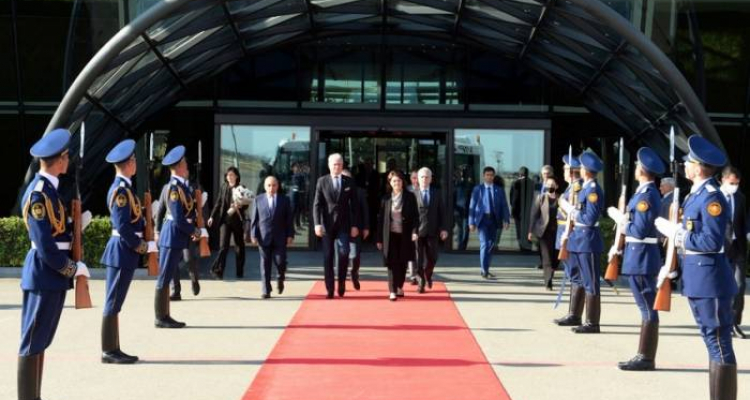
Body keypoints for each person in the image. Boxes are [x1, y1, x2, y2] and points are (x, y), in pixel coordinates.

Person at [655, 135, 737, 400]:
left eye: (688, 162)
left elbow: (711, 242)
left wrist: (678, 235)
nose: (685, 166)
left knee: (718, 342)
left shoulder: (711, 198)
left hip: (710, 280)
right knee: (712, 341)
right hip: (699, 277)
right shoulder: (697, 194)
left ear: (699, 167)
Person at [18, 129, 89, 400]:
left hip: (52, 274)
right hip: (44, 272)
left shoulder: (50, 191)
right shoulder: (39, 194)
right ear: (60, 160)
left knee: (42, 340)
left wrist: (75, 227)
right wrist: (71, 268)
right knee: (32, 341)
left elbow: (56, 232)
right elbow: (45, 246)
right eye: (66, 157)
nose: (68, 161)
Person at [607, 147, 664, 370]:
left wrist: (623, 222)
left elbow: (639, 230)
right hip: (638, 255)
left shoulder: (647, 195)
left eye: (638, 165)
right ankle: (644, 355)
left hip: (642, 257)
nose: (636, 168)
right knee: (645, 307)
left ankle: (646, 357)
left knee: (647, 308)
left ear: (642, 170)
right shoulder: (642, 193)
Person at [99, 139, 156, 364]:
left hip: (124, 252)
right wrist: (142, 246)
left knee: (116, 302)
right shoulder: (121, 191)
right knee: (113, 301)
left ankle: (113, 347)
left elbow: (131, 219)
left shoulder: (125, 188)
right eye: (133, 160)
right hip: (121, 252)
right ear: (129, 163)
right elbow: (122, 226)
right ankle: (109, 350)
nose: (135, 164)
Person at [154, 145, 206, 328]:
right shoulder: (174, 189)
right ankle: (160, 317)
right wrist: (195, 231)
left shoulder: (182, 187)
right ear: (178, 167)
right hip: (172, 236)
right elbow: (178, 218)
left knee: (167, 276)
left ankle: (165, 315)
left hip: (177, 236)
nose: (187, 165)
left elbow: (188, 213)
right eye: (184, 163)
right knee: (165, 277)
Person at [558, 151, 604, 334]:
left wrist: (571, 210)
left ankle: (592, 322)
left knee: (591, 281)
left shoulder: (593, 190)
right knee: (578, 277)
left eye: (582, 168)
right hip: (579, 238)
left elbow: (590, 218)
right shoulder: (585, 188)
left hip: (588, 239)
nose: (580, 171)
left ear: (587, 171)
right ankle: (575, 315)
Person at [313, 153, 360, 298]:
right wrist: (317, 224)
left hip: (344, 225)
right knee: (328, 256)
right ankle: (330, 289)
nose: (337, 167)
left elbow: (355, 206)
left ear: (342, 165)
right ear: (329, 165)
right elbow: (317, 204)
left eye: (339, 164)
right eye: (334, 164)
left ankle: (341, 282)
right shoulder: (322, 181)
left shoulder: (349, 182)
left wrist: (355, 225)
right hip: (327, 226)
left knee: (344, 253)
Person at [155, 179, 201, 299]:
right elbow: (160, 211)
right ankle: (175, 290)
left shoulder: (193, 186)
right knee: (172, 260)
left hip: (189, 228)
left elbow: (200, 210)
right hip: (174, 230)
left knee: (188, 258)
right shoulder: (168, 188)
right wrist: (157, 231)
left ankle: (194, 278)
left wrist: (198, 228)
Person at [377, 170, 419, 300]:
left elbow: (415, 217)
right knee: (391, 263)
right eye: (394, 181)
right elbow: (381, 220)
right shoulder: (385, 198)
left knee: (402, 262)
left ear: (403, 182)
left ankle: (399, 286)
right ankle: (392, 290)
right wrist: (379, 239)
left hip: (405, 235)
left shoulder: (410, 197)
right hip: (390, 236)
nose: (397, 183)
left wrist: (415, 232)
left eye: (399, 180)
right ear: (390, 182)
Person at [553, 155, 585, 326]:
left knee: (575, 275)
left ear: (571, 172)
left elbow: (574, 214)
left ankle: (574, 315)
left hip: (570, 235)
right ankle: (572, 313)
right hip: (564, 233)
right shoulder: (571, 187)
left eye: (565, 169)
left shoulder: (577, 188)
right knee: (572, 274)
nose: (563, 171)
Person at [251, 176, 294, 298]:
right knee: (265, 264)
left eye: (274, 185)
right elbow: (254, 219)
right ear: (265, 187)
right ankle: (266, 290)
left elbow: (289, 219)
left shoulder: (284, 200)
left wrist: (290, 234)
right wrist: (253, 234)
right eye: (269, 185)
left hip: (280, 237)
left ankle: (280, 278)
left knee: (280, 262)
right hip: (263, 237)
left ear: (278, 186)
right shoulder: (258, 200)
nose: (271, 188)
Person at [720, 166, 748, 339]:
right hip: (720, 248)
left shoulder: (740, 197)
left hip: (738, 247)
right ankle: (719, 321)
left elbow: (744, 220)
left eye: (737, 183)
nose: (734, 187)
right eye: (732, 183)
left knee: (739, 285)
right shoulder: (713, 196)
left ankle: (734, 323)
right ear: (723, 180)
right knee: (720, 286)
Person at [208, 166, 249, 280]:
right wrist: (212, 216)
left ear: (236, 176)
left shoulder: (241, 188)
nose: (230, 177)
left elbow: (246, 204)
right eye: (228, 175)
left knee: (239, 246)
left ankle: (240, 271)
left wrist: (240, 205)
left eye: (232, 175)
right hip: (225, 221)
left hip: (237, 220)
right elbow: (218, 203)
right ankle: (218, 271)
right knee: (223, 246)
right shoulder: (224, 187)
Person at [469, 166, 510, 278]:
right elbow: (472, 205)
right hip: (482, 220)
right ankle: (483, 270)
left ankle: (486, 268)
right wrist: (471, 222)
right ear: (483, 176)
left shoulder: (499, 190)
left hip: (494, 219)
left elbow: (504, 205)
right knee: (484, 244)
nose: (489, 177)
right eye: (487, 175)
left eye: (491, 175)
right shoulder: (478, 189)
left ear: (494, 176)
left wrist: (506, 219)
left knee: (491, 245)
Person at [414, 167, 448, 292]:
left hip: (433, 231)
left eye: (427, 177)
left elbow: (442, 212)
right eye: (422, 177)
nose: (424, 179)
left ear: (431, 179)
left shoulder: (437, 193)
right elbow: (410, 215)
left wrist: (443, 229)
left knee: (433, 257)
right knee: (418, 259)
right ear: (418, 179)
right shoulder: (413, 194)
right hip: (417, 232)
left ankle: (427, 274)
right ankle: (420, 282)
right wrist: (412, 231)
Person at [528, 177, 559, 290]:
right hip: (544, 232)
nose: (550, 187)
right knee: (547, 257)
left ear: (556, 186)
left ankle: (551, 272)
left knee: (556, 258)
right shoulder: (541, 198)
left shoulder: (560, 199)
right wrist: (530, 231)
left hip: (558, 232)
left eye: (552, 185)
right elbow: (534, 215)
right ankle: (548, 281)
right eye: (548, 185)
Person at [343, 169, 369, 290]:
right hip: (341, 229)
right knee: (342, 255)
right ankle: (342, 280)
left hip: (356, 228)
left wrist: (366, 227)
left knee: (355, 255)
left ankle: (354, 273)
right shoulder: (336, 191)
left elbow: (365, 211)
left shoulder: (359, 192)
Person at [511, 166, 533, 251]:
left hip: (518, 211)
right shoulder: (532, 183)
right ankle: (528, 246)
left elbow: (513, 198)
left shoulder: (516, 183)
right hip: (529, 211)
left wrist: (513, 210)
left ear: (520, 174)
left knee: (519, 230)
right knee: (528, 229)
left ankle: (522, 246)